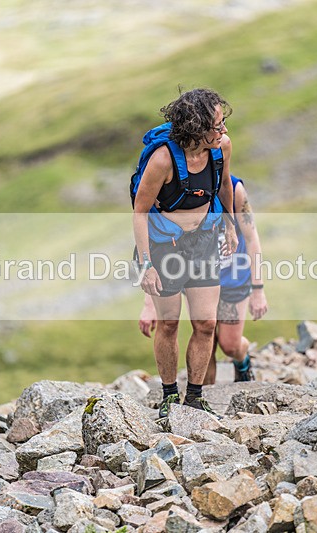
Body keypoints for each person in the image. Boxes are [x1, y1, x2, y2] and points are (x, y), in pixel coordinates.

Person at [132, 88, 238, 417]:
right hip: (166, 247)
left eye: (223, 124)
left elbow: (224, 186)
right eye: (216, 125)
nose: (222, 131)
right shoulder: (162, 160)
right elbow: (140, 210)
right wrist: (146, 263)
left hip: (205, 239)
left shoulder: (221, 148)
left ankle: (194, 396)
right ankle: (168, 396)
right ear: (195, 127)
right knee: (169, 324)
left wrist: (230, 225)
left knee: (205, 323)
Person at [139, 175, 268, 384]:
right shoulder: (182, 190)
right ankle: (202, 399)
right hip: (199, 275)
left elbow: (252, 237)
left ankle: (242, 360)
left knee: (230, 344)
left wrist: (258, 290)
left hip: (233, 277)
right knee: (204, 334)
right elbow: (161, 245)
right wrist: (149, 304)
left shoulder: (234, 189)